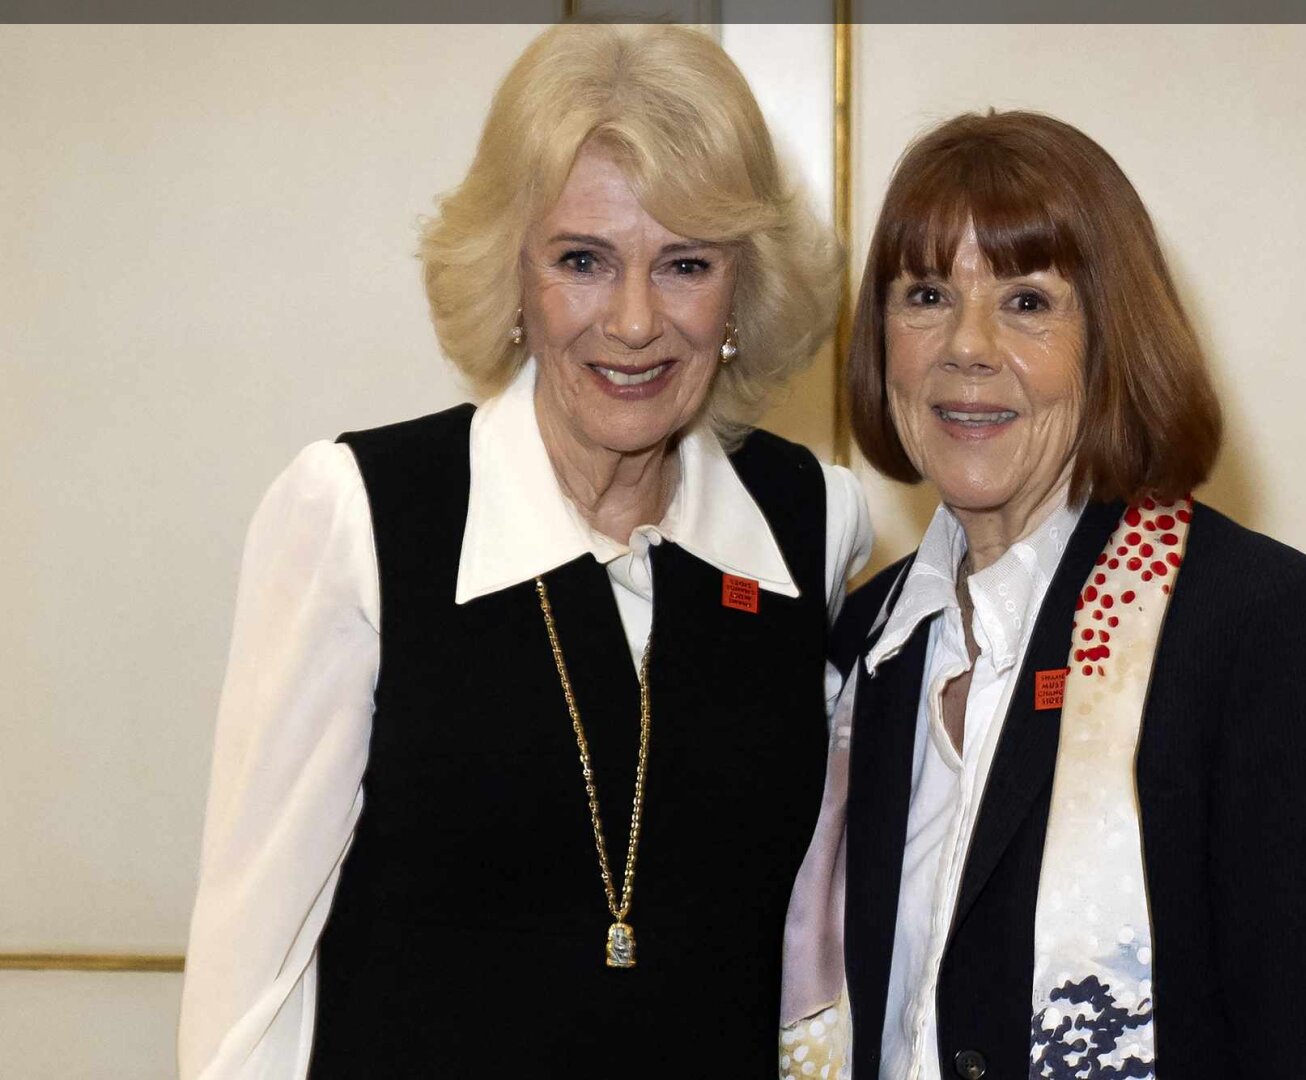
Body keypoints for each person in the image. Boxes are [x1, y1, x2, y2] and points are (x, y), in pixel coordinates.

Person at [178, 24, 870, 1078]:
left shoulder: (812, 524)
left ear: (743, 288)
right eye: (582, 260)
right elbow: (250, 983)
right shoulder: (358, 517)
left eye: (684, 265)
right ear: (512, 270)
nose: (633, 323)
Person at [781, 111, 1306, 1080]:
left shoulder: (1258, 629)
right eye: (926, 295)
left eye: (1026, 302)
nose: (965, 347)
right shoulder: (862, 643)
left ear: (1112, 340)